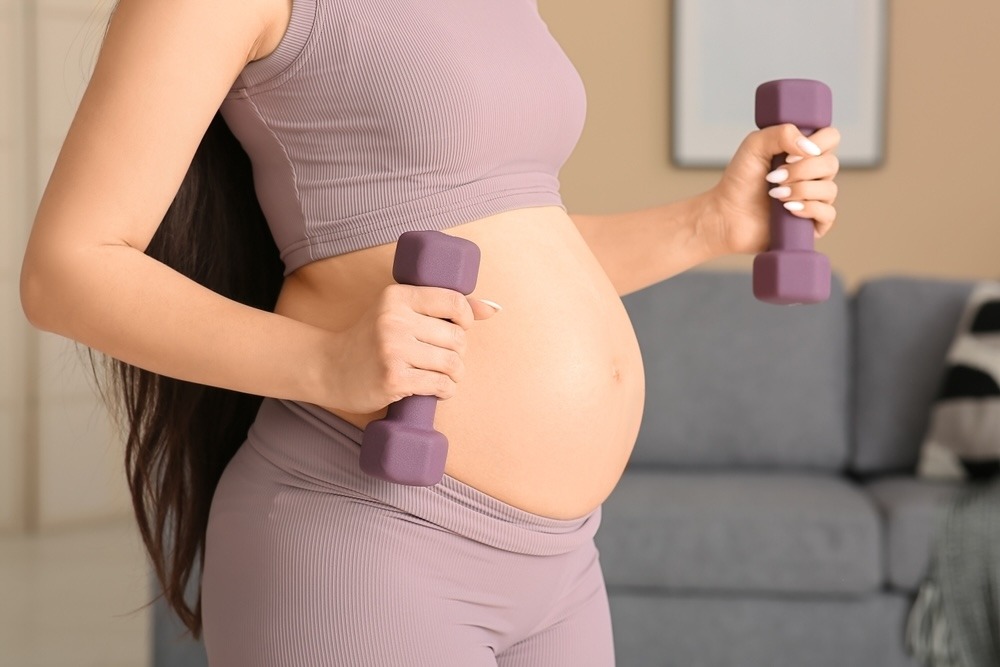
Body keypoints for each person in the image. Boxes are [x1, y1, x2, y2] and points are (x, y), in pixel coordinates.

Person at [19, 0, 840, 664]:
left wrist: (709, 224)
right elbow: (66, 270)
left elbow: (513, 242)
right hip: (365, 538)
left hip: (561, 566)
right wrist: (324, 361)